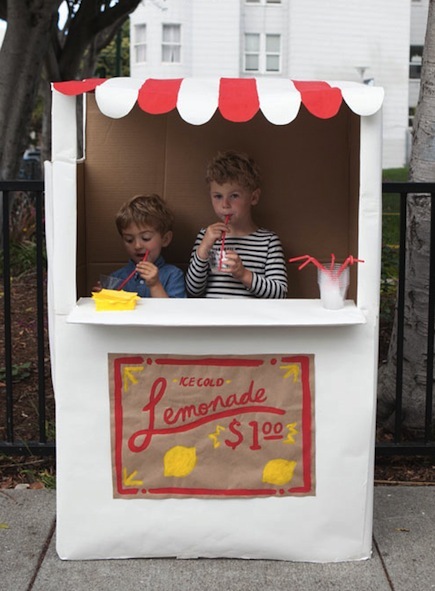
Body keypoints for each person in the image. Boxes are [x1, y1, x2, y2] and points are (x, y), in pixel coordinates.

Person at [185, 150, 288, 298]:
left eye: (234, 196)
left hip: (250, 313)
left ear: (254, 197)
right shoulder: (205, 237)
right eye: (218, 196)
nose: (225, 204)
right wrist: (203, 249)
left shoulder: (268, 242)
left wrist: (244, 274)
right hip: (212, 313)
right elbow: (192, 290)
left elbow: (280, 294)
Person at [98, 194, 186, 298]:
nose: (137, 246)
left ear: (165, 239)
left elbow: (173, 309)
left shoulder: (173, 275)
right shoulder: (116, 278)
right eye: (129, 240)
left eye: (145, 238)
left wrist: (155, 285)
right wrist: (103, 296)